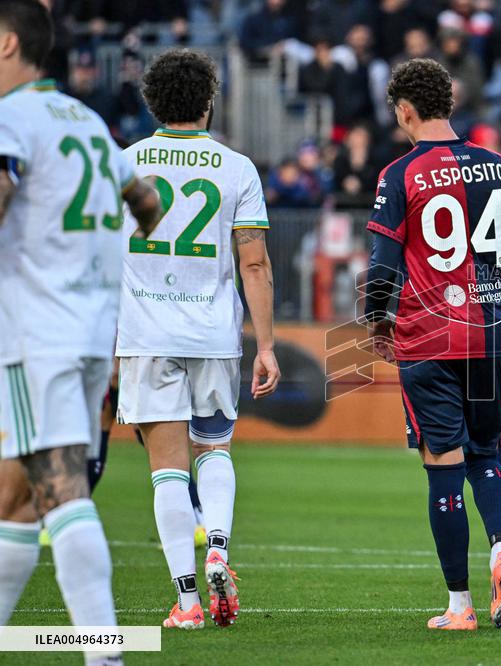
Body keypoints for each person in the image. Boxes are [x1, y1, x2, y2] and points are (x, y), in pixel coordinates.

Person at [0, 1, 162, 661]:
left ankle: (104, 651)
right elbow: (148, 204)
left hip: (39, 331)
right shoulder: (89, 121)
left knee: (61, 487)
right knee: (15, 497)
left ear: (8, 45)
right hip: (89, 327)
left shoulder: (12, 118)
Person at [363, 58, 501, 631]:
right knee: (487, 455)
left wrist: (376, 321)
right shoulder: (497, 165)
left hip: (428, 337)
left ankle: (461, 607)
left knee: (443, 465)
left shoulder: (399, 175)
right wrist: (487, 273)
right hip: (491, 333)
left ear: (406, 111)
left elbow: (382, 266)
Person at [116, 49, 281, 630]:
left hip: (145, 332)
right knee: (215, 448)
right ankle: (218, 548)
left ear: (152, 102)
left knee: (166, 469)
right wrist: (264, 346)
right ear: (208, 100)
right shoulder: (236, 168)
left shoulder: (124, 163)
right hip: (212, 333)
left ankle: (186, 601)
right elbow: (254, 264)